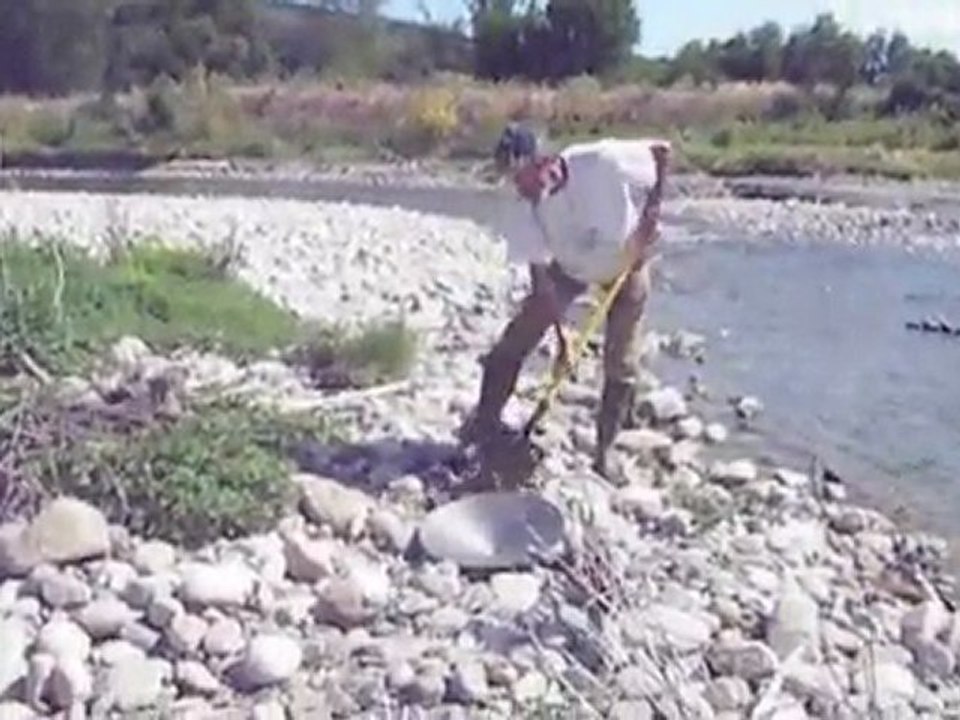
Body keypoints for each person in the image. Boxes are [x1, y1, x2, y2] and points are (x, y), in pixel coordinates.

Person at [460, 123, 671, 480]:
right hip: (569, 269)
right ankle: (486, 423)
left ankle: (606, 452)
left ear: (544, 162)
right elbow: (541, 281)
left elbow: (661, 151)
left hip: (626, 265)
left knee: (622, 362)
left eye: (522, 177)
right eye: (513, 181)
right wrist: (562, 335)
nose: (520, 188)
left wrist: (650, 217)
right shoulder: (525, 207)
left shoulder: (602, 161)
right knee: (515, 340)